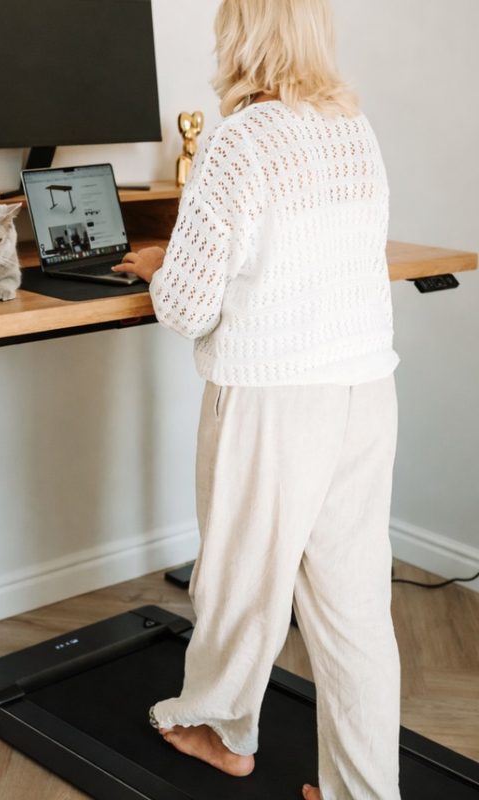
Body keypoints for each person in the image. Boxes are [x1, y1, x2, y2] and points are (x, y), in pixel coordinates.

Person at [112, 0, 401, 797]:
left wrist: (163, 266)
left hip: (274, 397)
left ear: (241, 33)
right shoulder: (354, 128)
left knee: (240, 586)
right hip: (365, 389)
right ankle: (363, 791)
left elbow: (186, 308)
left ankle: (219, 730)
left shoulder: (241, 138)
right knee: (354, 609)